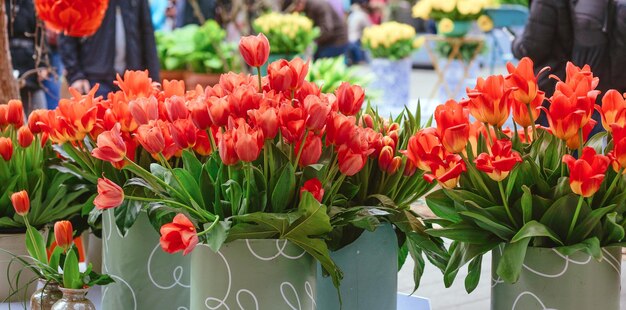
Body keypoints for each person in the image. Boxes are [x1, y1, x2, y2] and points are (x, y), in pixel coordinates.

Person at [59, 0, 160, 97]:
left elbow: (147, 34)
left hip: (131, 79)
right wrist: (76, 75)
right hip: (94, 78)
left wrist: (154, 79)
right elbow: (67, 32)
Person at [511, 0, 572, 98]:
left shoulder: (544, 2)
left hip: (550, 86)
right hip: (574, 82)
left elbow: (531, 49)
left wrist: (514, 43)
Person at [6, 0, 47, 114]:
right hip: (6, 61)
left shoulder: (32, 5)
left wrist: (43, 64)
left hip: (30, 62)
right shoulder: (4, 6)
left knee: (39, 114)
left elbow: (41, 37)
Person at [283, 0, 349, 60]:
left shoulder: (318, 5)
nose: (296, 12)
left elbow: (326, 29)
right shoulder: (307, 8)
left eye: (295, 9)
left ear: (300, 3)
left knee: (319, 60)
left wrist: (311, 40)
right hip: (328, 41)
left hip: (336, 41)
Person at [347, 0, 370, 64]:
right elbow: (370, 27)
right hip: (357, 41)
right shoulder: (362, 14)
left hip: (348, 40)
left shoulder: (351, 15)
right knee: (361, 63)